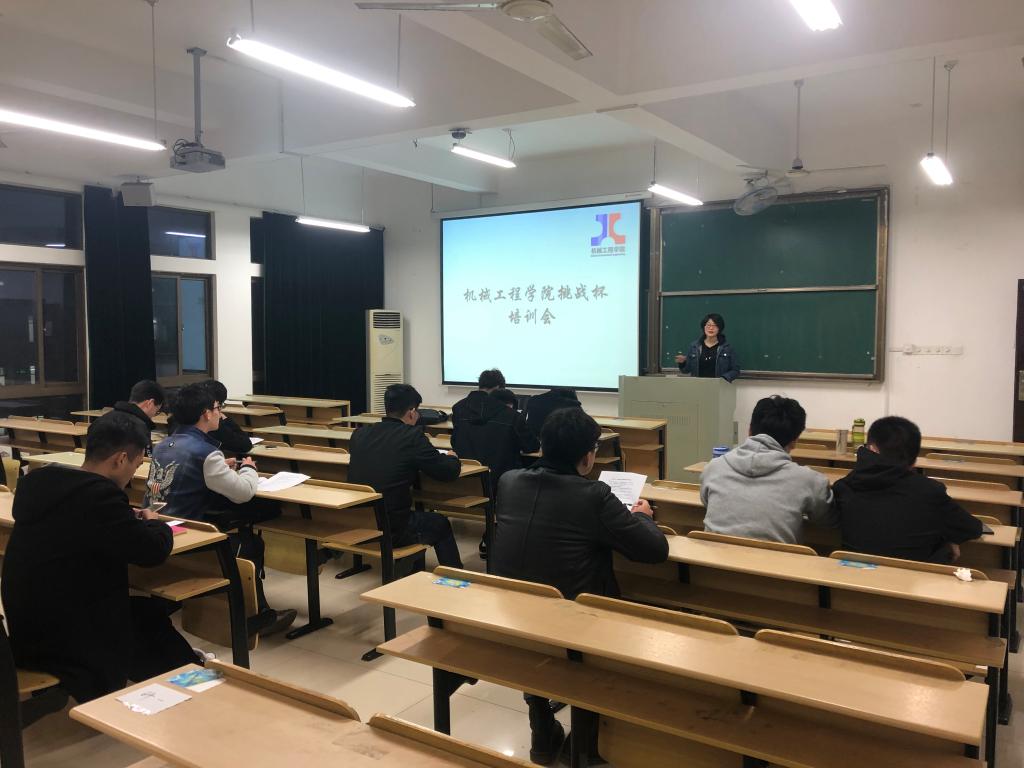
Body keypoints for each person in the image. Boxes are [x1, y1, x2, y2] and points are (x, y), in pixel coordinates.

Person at [491, 407, 669, 764]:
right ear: (588, 456)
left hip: (512, 613)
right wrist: (642, 517)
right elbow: (654, 551)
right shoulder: (593, 495)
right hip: (575, 621)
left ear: (542, 446)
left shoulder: (509, 481)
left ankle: (542, 726)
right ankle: (585, 744)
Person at [1, 412, 196, 707]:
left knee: (142, 614)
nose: (132, 473)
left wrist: (124, 519)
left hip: (27, 627)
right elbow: (152, 551)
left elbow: (83, 530)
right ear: (120, 459)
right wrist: (155, 523)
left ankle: (182, 681)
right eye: (135, 464)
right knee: (148, 618)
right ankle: (194, 686)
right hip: (67, 640)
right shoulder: (99, 497)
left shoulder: (40, 484)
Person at [145, 383, 296, 636]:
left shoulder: (164, 445)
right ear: (205, 413)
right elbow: (243, 492)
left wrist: (219, 465)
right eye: (217, 408)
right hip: (187, 536)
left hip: (159, 526)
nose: (220, 413)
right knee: (249, 545)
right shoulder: (206, 452)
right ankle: (253, 616)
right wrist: (248, 468)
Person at [833, 416, 983, 563]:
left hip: (852, 576)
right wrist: (949, 538)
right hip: (912, 578)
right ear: (914, 461)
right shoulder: (929, 491)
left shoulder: (844, 487)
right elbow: (973, 529)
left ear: (871, 448)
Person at [348, 384, 464, 569]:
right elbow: (446, 472)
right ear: (411, 413)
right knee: (439, 523)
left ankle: (415, 569)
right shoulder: (412, 436)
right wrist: (453, 458)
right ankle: (456, 577)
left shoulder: (359, 434)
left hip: (357, 522)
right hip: (391, 529)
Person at [701, 395, 836, 544]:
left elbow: (706, 502)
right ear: (794, 441)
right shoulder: (810, 481)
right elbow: (827, 521)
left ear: (749, 430)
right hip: (776, 559)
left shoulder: (714, 468)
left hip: (712, 558)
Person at [451, 369, 538, 559]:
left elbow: (455, 442)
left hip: (466, 480)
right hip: (500, 482)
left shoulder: (458, 408)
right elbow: (531, 446)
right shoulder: (510, 415)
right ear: (499, 388)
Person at [674, 313, 741, 382]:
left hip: (718, 386)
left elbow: (735, 370)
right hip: (698, 385)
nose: (711, 328)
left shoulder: (727, 348)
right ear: (704, 327)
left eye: (715, 325)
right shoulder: (694, 347)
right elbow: (686, 370)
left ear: (719, 328)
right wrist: (682, 363)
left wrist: (724, 379)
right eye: (708, 325)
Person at [201, 379, 253, 458]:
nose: (220, 410)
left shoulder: (190, 424)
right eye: (220, 406)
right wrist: (224, 419)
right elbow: (246, 445)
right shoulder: (214, 427)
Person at [113, 379, 166, 452]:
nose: (154, 415)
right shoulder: (140, 428)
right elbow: (145, 456)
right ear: (150, 403)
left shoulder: (105, 418)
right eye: (157, 411)